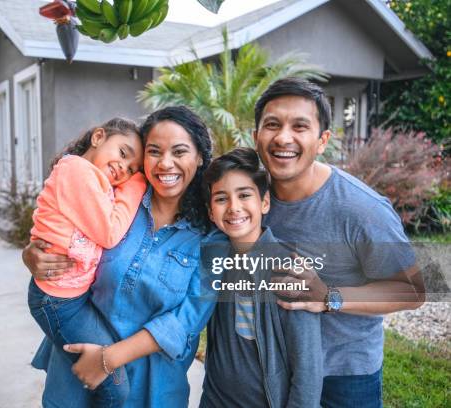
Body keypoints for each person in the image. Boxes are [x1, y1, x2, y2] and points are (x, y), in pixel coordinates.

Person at [23, 106, 215, 407]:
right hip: (75, 370)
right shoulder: (116, 200)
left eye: (179, 152)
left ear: (200, 157)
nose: (166, 163)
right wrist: (33, 253)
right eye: (154, 151)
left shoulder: (210, 232)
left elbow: (186, 320)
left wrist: (109, 358)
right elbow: (61, 227)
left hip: (149, 386)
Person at [251, 78, 424, 408]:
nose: (283, 137)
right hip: (273, 365)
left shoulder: (360, 209)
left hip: (343, 376)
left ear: (322, 141)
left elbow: (413, 290)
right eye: (272, 124)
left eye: (300, 126)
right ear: (256, 136)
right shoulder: (250, 198)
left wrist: (329, 297)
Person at [27, 117, 147, 407]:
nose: (124, 169)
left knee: (103, 383)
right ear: (98, 137)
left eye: (132, 169)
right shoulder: (77, 170)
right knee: (115, 387)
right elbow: (108, 232)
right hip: (58, 301)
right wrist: (137, 183)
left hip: (70, 298)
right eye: (122, 153)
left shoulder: (97, 181)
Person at [198, 147, 322, 408]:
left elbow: (308, 368)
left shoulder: (288, 270)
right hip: (214, 399)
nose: (234, 208)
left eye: (244, 195)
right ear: (211, 212)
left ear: (264, 203)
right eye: (221, 199)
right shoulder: (214, 259)